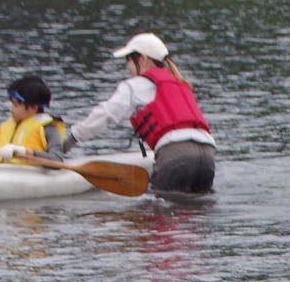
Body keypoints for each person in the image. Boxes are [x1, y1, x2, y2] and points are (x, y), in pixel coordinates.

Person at [67, 33, 214, 194]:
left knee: (157, 209)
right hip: (207, 156)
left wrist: (69, 141)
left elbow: (105, 114)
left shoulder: (135, 85)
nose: (127, 67)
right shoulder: (180, 83)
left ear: (143, 59)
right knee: (198, 210)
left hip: (176, 155)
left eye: (128, 60)